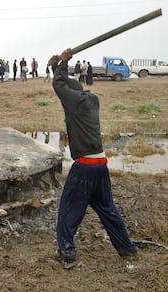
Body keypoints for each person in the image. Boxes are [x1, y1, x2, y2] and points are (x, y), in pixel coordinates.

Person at [50, 48, 137, 263]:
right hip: (100, 165)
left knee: (68, 210)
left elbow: (59, 85)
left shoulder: (76, 104)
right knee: (107, 208)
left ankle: (67, 251)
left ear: (71, 98)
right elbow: (64, 85)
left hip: (85, 167)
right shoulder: (91, 100)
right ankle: (126, 248)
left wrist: (63, 61)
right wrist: (56, 68)